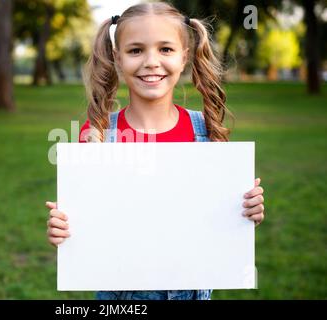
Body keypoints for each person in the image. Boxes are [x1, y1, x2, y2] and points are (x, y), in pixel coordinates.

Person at [45, 2, 265, 300]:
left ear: (184, 56)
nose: (151, 61)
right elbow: (90, 225)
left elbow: (215, 217)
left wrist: (245, 211)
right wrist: (63, 230)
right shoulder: (97, 135)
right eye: (136, 50)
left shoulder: (206, 131)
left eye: (165, 49)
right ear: (117, 58)